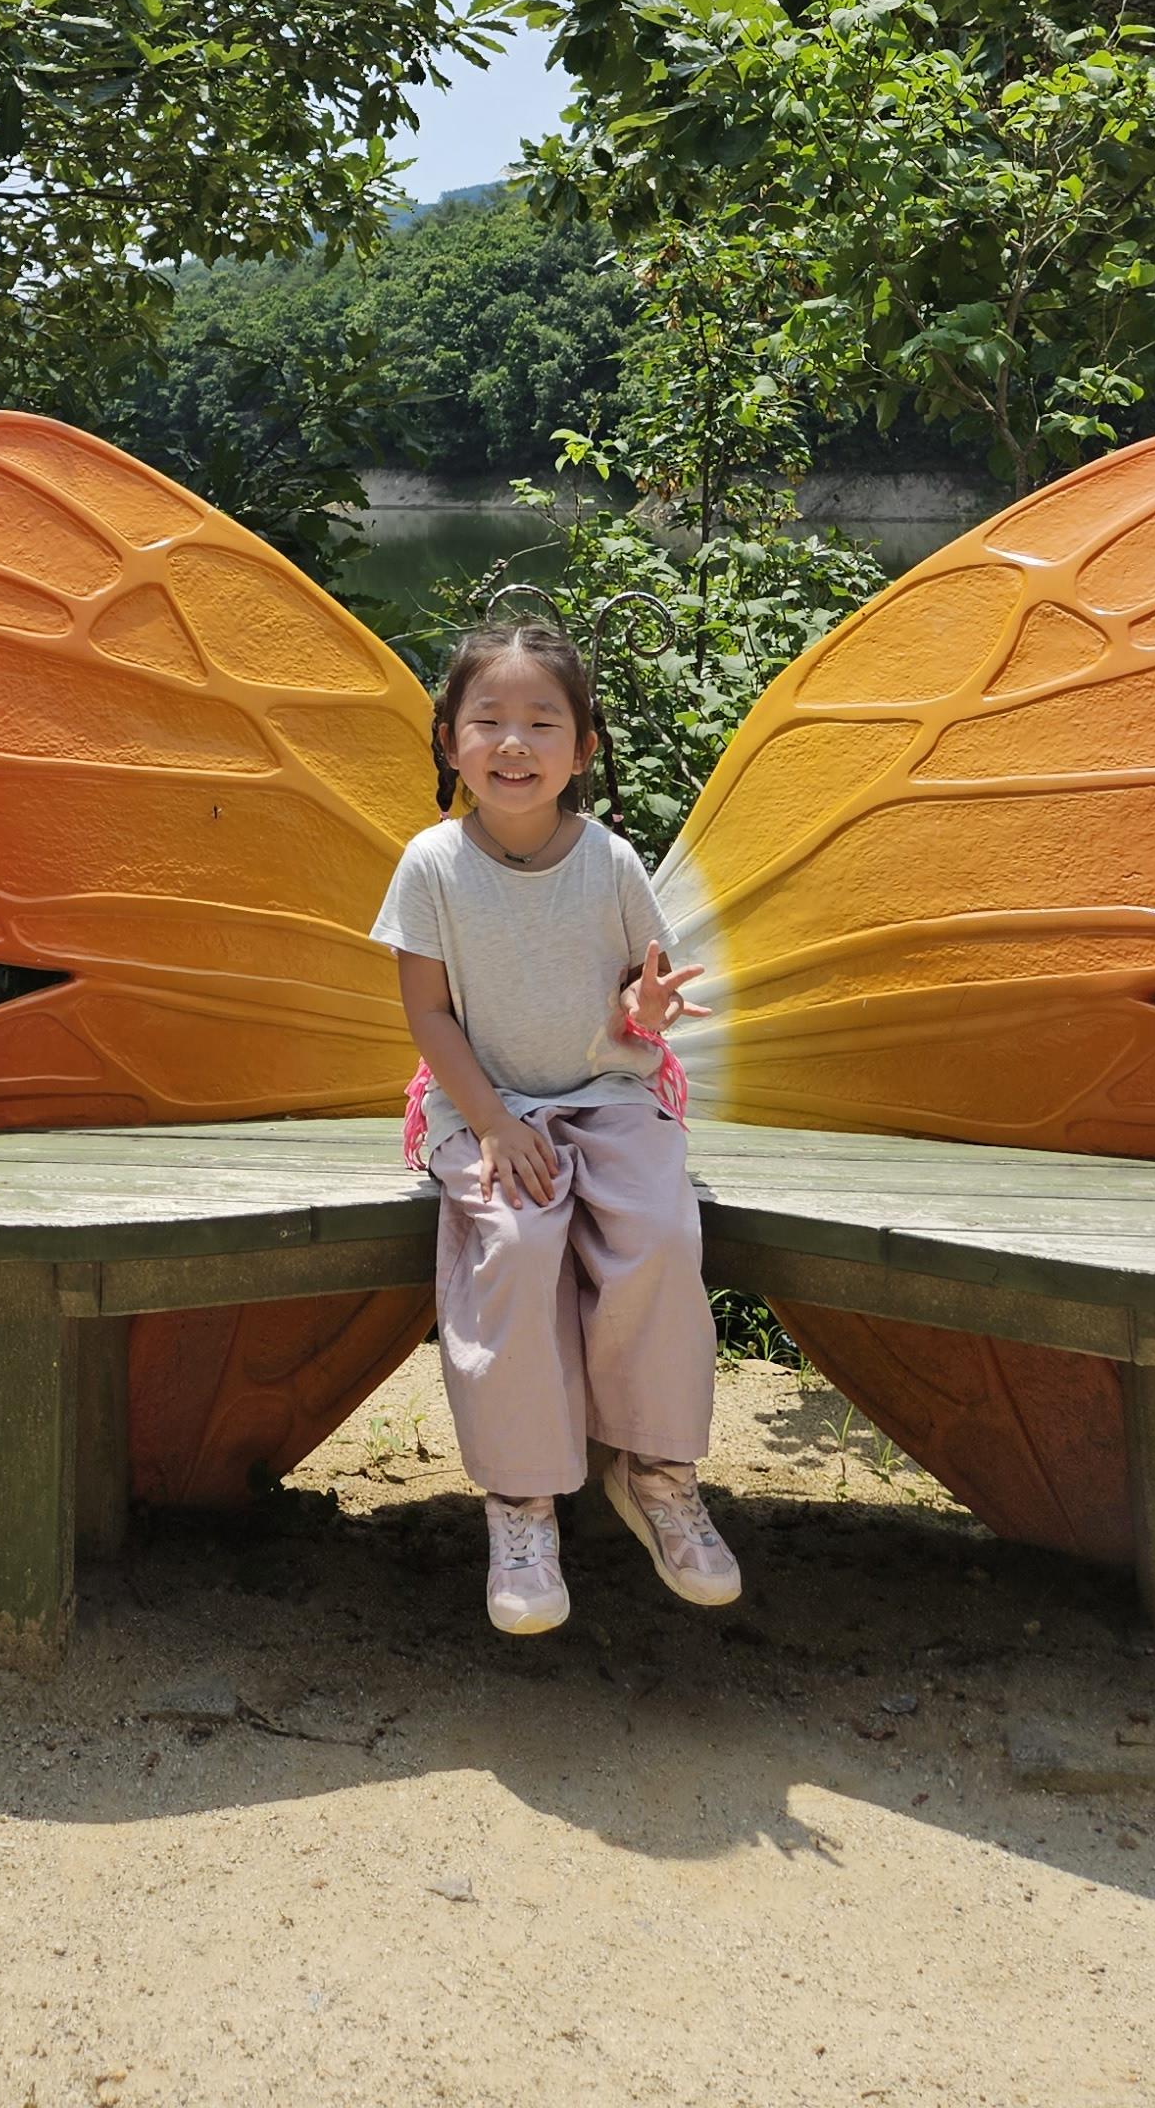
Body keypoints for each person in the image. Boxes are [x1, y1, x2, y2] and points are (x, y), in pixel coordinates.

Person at [371, 614, 741, 1638]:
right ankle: (522, 1499)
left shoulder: (611, 860)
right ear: (450, 742)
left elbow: (634, 992)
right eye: (488, 718)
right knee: (517, 1240)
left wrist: (645, 1010)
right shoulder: (430, 864)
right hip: (479, 1099)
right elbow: (428, 1015)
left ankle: (654, 1470)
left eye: (543, 721)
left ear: (583, 749)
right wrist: (492, 1123)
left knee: (656, 1232)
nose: (514, 741)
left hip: (608, 1091)